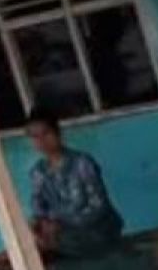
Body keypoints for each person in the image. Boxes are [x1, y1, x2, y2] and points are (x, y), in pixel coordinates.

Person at [25, 108, 124, 260]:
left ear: (58, 133)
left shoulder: (82, 163)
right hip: (62, 233)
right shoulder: (38, 172)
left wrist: (60, 224)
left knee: (60, 242)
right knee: (28, 239)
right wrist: (41, 223)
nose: (41, 141)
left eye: (46, 133)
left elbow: (98, 207)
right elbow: (38, 207)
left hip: (97, 230)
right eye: (35, 137)